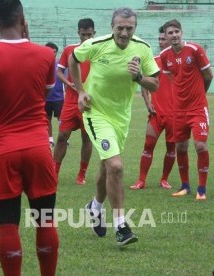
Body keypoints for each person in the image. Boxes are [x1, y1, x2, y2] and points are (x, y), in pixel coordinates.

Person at [0, 0, 59, 275]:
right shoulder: (45, 55)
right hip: (38, 146)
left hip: (3, 149)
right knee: (45, 220)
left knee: (8, 224)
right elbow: (46, 91)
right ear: (23, 20)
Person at [70, 7, 159, 246]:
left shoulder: (143, 48)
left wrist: (139, 77)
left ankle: (95, 207)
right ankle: (121, 226)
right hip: (95, 113)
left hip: (121, 118)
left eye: (129, 28)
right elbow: (73, 59)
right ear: (112, 27)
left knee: (106, 167)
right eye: (120, 27)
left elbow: (156, 85)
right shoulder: (97, 44)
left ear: (135, 28)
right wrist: (80, 91)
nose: (124, 32)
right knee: (116, 167)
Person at [160, 19, 213, 200]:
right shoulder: (165, 56)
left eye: (176, 31)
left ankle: (202, 189)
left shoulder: (195, 49)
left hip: (198, 108)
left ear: (181, 32)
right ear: (166, 36)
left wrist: (200, 95)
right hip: (179, 110)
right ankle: (185, 186)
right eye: (170, 33)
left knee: (200, 145)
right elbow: (173, 81)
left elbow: (208, 75)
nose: (174, 35)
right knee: (180, 148)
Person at [130, 26, 175, 190]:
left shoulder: (179, 60)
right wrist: (148, 103)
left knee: (171, 149)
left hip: (175, 115)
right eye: (160, 39)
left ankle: (164, 179)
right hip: (156, 113)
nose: (161, 42)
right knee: (148, 145)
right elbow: (143, 81)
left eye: (164, 39)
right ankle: (141, 180)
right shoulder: (153, 60)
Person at [53, 18, 95, 185]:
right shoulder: (69, 50)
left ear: (94, 34)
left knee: (87, 138)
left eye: (89, 35)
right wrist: (67, 82)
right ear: (78, 33)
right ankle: (54, 173)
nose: (86, 38)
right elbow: (59, 71)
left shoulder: (99, 51)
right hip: (70, 102)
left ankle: (81, 175)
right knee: (62, 136)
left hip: (91, 104)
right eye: (83, 34)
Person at [44, 42, 64, 148]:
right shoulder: (41, 65)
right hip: (46, 97)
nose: (52, 54)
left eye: (54, 52)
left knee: (61, 119)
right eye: (49, 52)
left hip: (59, 97)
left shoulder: (60, 66)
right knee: (47, 119)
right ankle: (50, 139)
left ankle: (64, 138)